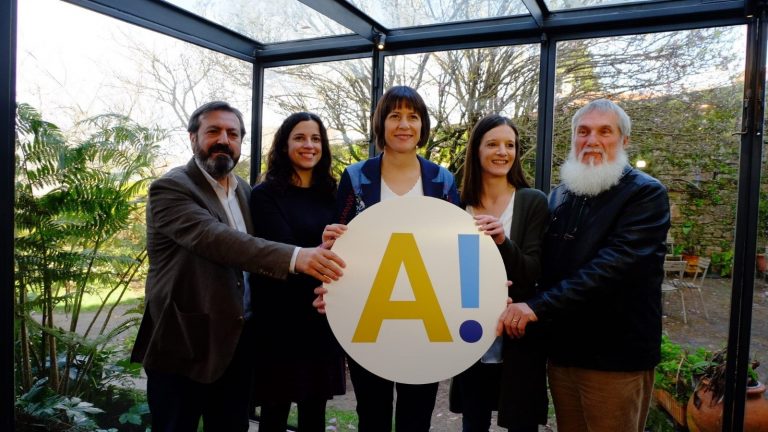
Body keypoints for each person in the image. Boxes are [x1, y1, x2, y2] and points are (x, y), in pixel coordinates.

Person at [130, 101, 345, 432]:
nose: (223, 139)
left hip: (238, 342)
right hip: (186, 343)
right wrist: (298, 256)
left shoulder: (243, 190)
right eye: (213, 131)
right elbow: (217, 240)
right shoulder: (171, 188)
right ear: (192, 138)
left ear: (241, 142)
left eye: (232, 133)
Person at [499, 99, 670, 432]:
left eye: (605, 131)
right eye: (583, 132)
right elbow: (542, 266)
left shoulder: (645, 194)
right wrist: (504, 293)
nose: (592, 140)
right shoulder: (561, 195)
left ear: (624, 141)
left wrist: (535, 307)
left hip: (614, 359)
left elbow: (613, 267)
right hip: (564, 354)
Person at [321, 86, 460, 432]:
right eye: (395, 115)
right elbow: (341, 241)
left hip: (427, 314)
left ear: (423, 125)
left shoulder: (442, 179)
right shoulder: (356, 178)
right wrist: (328, 243)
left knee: (417, 415)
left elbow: (458, 246)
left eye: (413, 117)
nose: (404, 124)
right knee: (372, 413)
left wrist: (481, 286)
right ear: (380, 123)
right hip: (369, 312)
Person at [449, 114, 549, 432]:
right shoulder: (456, 203)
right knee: (473, 419)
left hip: (518, 334)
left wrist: (502, 241)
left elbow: (532, 271)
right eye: (492, 143)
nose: (502, 151)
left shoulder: (533, 201)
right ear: (476, 150)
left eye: (510, 145)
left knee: (521, 420)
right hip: (470, 330)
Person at [249, 112, 346, 431]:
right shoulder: (264, 195)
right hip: (279, 320)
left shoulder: (333, 195)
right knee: (274, 413)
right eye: (300, 138)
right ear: (284, 144)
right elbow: (280, 250)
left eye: (316, 139)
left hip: (322, 315)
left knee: (314, 412)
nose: (309, 145)